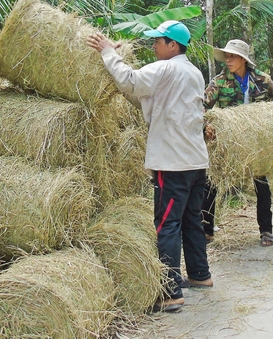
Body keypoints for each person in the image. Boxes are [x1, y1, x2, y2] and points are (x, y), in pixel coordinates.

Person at [87, 20, 212, 312]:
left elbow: (130, 81)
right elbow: (145, 94)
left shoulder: (166, 68)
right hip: (195, 161)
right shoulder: (194, 72)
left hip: (172, 162)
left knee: (167, 224)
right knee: (191, 220)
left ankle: (170, 292)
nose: (154, 45)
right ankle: (200, 275)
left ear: (173, 45)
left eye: (158, 41)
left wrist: (107, 51)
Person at [202, 39, 273, 248]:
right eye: (226, 56)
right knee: (211, 183)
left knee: (262, 186)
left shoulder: (262, 80)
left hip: (255, 143)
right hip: (229, 143)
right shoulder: (218, 82)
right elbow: (202, 107)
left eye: (233, 56)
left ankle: (266, 231)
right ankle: (206, 231)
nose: (228, 59)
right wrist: (207, 126)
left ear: (243, 59)